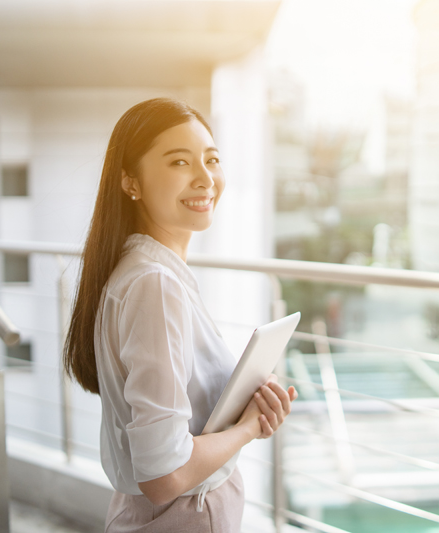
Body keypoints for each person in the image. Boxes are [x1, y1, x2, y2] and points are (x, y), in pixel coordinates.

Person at [63, 97, 297, 532]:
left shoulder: (148, 272)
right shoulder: (154, 284)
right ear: (131, 182)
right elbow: (163, 475)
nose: (205, 178)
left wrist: (245, 404)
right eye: (179, 162)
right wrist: (248, 428)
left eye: (212, 160)